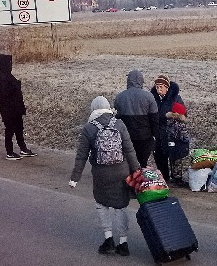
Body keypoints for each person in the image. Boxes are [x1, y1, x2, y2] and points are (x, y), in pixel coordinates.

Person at [69, 96, 141, 256]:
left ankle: (108, 239)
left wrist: (75, 178)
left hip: (101, 175)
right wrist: (137, 171)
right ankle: (123, 243)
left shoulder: (89, 128)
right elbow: (130, 151)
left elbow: (81, 156)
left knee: (102, 205)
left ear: (93, 109)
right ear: (108, 108)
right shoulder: (120, 124)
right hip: (121, 173)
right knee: (121, 207)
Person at [113, 70, 158, 168]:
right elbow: (154, 119)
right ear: (141, 81)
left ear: (128, 81)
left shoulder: (119, 97)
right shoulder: (149, 97)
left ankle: (128, 181)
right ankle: (140, 180)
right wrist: (155, 136)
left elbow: (116, 118)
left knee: (127, 162)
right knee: (142, 163)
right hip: (145, 137)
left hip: (126, 136)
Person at [0, 54, 36, 160]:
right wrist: (16, 86)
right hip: (8, 107)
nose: (10, 65)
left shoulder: (6, 74)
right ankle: (9, 152)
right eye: (8, 63)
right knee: (10, 129)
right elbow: (4, 92)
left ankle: (23, 149)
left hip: (15, 106)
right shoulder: (0, 76)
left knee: (19, 128)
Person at [150, 75, 185, 181]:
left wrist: (176, 116)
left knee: (175, 156)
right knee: (160, 156)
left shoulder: (176, 98)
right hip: (159, 132)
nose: (159, 90)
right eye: (157, 87)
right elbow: (152, 115)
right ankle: (164, 177)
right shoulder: (153, 99)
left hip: (173, 132)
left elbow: (183, 113)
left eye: (161, 87)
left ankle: (177, 178)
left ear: (167, 87)